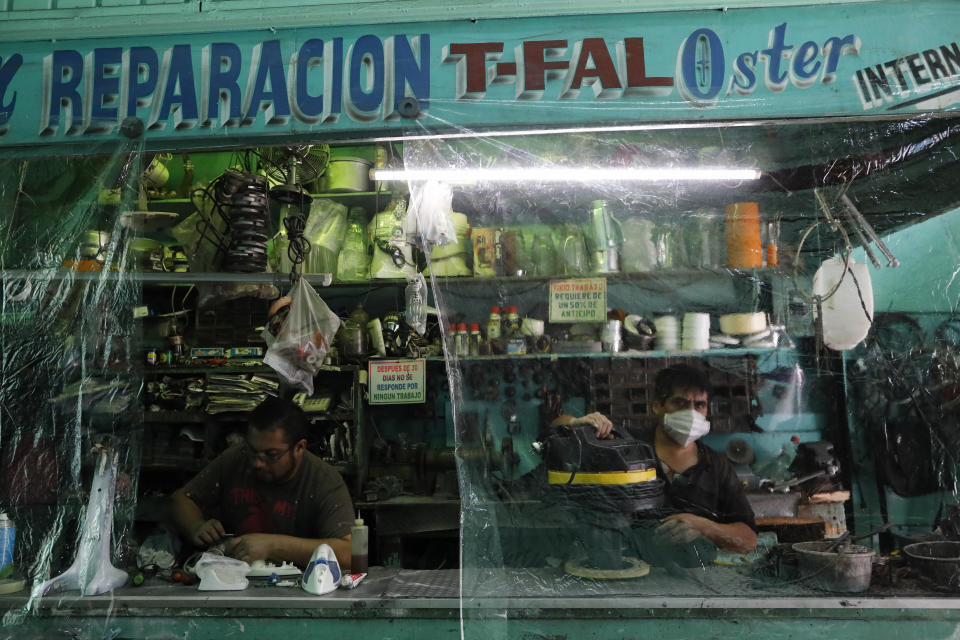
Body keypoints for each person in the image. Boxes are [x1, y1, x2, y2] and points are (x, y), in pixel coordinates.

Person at [552, 363, 757, 555]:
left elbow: (748, 539)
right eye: (680, 403)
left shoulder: (716, 465)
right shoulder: (626, 445)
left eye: (700, 405)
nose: (691, 413)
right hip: (627, 570)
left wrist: (703, 527)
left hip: (694, 579)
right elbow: (555, 429)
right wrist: (576, 422)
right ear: (657, 406)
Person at [171, 397, 355, 568]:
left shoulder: (323, 480)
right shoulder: (237, 458)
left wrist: (274, 546)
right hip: (233, 578)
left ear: (299, 448)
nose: (257, 463)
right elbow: (182, 498)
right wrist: (196, 526)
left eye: (271, 455)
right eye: (252, 450)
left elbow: (349, 553)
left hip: (298, 587)